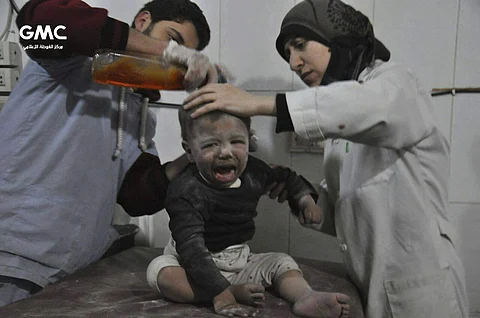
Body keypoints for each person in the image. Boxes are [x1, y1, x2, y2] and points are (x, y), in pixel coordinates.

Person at [182, 0, 469, 317]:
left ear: (338, 38)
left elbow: (365, 106)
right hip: (372, 287)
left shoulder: (397, 84)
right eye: (288, 54)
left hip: (421, 293)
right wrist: (312, 204)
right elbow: (355, 209)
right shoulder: (341, 129)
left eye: (300, 46)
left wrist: (256, 103)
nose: (293, 63)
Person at [0, 0, 218, 307]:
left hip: (73, 271)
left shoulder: (139, 111)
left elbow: (136, 194)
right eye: (174, 40)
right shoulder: (68, 61)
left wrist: (192, 156)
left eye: (185, 57)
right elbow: (38, 20)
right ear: (143, 20)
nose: (177, 59)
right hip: (13, 259)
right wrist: (165, 52)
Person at [145, 105, 351, 318]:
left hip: (238, 260)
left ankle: (305, 296)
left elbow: (286, 178)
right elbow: (191, 248)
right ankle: (224, 291)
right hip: (190, 264)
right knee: (160, 271)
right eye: (210, 144)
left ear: (249, 141)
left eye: (236, 142)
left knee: (282, 262)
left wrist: (305, 200)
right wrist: (221, 294)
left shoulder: (254, 172)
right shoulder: (185, 191)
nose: (225, 152)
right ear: (189, 151)